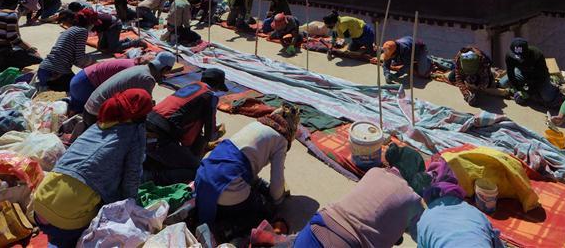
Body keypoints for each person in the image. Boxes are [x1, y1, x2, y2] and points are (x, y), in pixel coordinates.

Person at [31, 89, 153, 248]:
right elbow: (132, 175)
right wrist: (130, 211)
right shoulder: (134, 132)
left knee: (56, 234)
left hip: (41, 198)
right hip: (66, 215)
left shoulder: (101, 123)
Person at [195, 104, 300, 238]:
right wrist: (278, 200)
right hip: (227, 186)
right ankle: (223, 230)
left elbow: (241, 163)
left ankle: (196, 212)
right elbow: (276, 182)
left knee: (239, 187)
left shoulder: (256, 125)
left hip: (203, 176)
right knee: (266, 210)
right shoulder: (281, 140)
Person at [293, 166, 424, 248]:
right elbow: (424, 237)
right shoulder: (413, 199)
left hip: (317, 226)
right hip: (348, 243)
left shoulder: (375, 171)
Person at [144, 68, 228, 185]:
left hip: (145, 126)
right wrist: (218, 133)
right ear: (217, 85)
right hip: (160, 137)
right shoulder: (210, 96)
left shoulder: (191, 86)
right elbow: (210, 134)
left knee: (175, 157)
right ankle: (153, 178)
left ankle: (152, 167)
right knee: (197, 169)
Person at [83, 52, 175, 125]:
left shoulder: (141, 69)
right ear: (165, 69)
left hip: (89, 109)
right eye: (166, 73)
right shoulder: (147, 79)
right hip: (96, 115)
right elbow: (144, 108)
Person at [35, 9, 98, 91]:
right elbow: (79, 58)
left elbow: (74, 58)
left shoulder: (71, 29)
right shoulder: (82, 31)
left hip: (44, 69)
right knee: (83, 89)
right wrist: (95, 64)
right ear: (90, 23)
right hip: (56, 72)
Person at [0, 0, 42, 73]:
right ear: (15, 4)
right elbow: (12, 37)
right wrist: (29, 49)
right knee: (38, 60)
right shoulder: (12, 14)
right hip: (3, 53)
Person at [504, 38, 562, 108]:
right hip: (522, 73)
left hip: (538, 77)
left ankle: (554, 80)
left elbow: (541, 77)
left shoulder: (537, 55)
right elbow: (510, 74)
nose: (518, 59)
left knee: (547, 97)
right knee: (503, 83)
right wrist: (518, 89)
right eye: (516, 57)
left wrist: (528, 92)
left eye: (521, 57)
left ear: (527, 52)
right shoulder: (509, 56)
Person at [67, 57, 136, 113]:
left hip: (80, 79)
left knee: (75, 107)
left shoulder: (132, 63)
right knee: (90, 114)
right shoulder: (134, 72)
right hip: (86, 85)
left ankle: (65, 105)